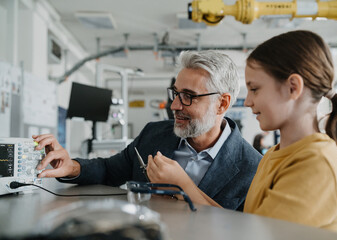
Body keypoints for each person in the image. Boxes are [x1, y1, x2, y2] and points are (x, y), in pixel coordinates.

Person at [147, 31, 337, 232]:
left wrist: (184, 186)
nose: (248, 102)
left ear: (293, 87)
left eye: (255, 89)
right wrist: (183, 189)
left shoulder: (318, 164)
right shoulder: (274, 156)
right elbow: (243, 227)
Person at [34, 50, 262, 211]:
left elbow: (240, 231)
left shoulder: (252, 168)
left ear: (222, 104)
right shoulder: (154, 134)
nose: (174, 106)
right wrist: (71, 166)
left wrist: (183, 185)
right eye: (175, 93)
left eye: (188, 97)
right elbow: (108, 171)